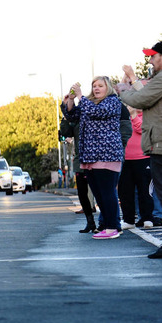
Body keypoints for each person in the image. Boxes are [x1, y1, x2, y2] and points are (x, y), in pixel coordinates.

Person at [118, 41, 162, 258]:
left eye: (153, 56)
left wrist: (123, 86)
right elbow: (151, 96)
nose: (150, 60)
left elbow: (138, 99)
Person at [63, 77, 125, 239]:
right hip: (89, 155)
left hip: (107, 154)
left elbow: (97, 112)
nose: (96, 89)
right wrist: (70, 100)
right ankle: (106, 225)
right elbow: (72, 116)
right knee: (98, 194)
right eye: (94, 86)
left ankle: (113, 227)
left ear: (108, 87)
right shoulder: (89, 103)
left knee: (107, 192)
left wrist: (81, 96)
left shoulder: (112, 102)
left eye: (100, 86)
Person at [117, 106, 154, 229]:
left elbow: (142, 130)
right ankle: (128, 220)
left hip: (143, 158)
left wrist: (134, 115)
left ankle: (147, 217)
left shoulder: (148, 115)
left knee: (145, 190)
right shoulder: (123, 117)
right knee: (125, 191)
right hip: (125, 159)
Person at [60, 112, 96, 233]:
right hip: (80, 161)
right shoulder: (75, 120)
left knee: (100, 192)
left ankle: (106, 222)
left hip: (96, 159)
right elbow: (66, 133)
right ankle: (90, 221)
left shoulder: (93, 115)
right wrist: (65, 117)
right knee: (82, 193)